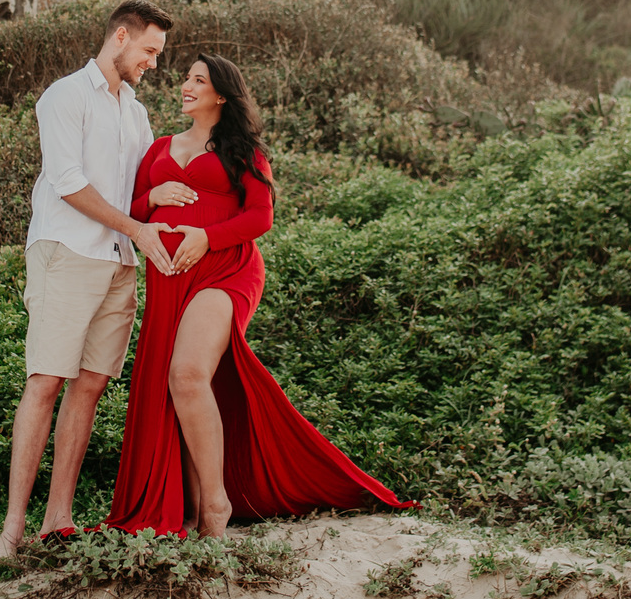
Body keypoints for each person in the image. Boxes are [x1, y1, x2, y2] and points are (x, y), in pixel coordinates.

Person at [107, 53, 410, 536]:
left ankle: (216, 507)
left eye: (199, 80)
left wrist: (207, 238)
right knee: (180, 388)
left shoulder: (243, 150)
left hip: (226, 270)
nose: (186, 85)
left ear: (221, 95)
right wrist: (154, 198)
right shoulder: (160, 147)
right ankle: (191, 505)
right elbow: (132, 212)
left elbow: (260, 216)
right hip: (169, 278)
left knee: (186, 375)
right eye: (187, 77)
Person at [0, 0, 176, 564]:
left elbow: (137, 188)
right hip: (67, 253)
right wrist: (137, 228)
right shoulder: (64, 96)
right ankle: (11, 531)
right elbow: (67, 183)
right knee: (46, 381)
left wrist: (160, 198)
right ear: (121, 37)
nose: (153, 63)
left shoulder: (136, 113)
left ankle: (58, 520)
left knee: (89, 386)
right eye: (149, 51)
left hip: (119, 262)